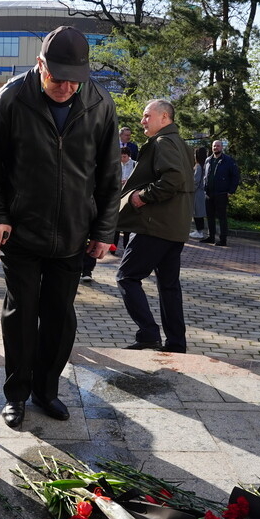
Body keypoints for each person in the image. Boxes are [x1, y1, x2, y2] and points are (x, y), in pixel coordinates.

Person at [0, 25, 121, 429]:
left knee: (60, 318)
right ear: (40, 65)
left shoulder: (101, 104)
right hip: (20, 232)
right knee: (21, 315)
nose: (67, 87)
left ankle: (46, 390)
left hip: (74, 234)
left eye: (76, 79)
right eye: (58, 78)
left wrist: (104, 232)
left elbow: (109, 177)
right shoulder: (11, 99)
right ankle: (16, 394)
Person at [115, 99, 195, 353]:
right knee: (169, 286)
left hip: (156, 225)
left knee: (126, 277)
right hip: (174, 226)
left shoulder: (163, 142)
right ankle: (176, 344)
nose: (142, 121)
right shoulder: (180, 143)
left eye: (147, 115)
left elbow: (173, 178)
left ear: (164, 118)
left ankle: (148, 333)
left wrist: (143, 197)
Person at [82, 146, 134, 280]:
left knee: (90, 241)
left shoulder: (107, 166)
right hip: (81, 208)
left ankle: (87, 271)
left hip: (96, 207)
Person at [199, 139, 240, 247]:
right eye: (214, 146)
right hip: (209, 193)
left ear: (222, 147)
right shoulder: (208, 160)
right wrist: (204, 188)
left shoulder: (228, 160)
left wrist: (231, 191)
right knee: (210, 216)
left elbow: (235, 176)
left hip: (222, 193)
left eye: (217, 146)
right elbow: (205, 175)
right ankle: (211, 237)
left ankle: (223, 239)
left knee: (222, 217)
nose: (215, 148)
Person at [190, 146, 208, 239]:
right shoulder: (204, 165)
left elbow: (195, 181)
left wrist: (190, 190)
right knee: (199, 212)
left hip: (197, 192)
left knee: (197, 212)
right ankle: (199, 231)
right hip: (202, 192)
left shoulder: (198, 166)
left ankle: (199, 231)